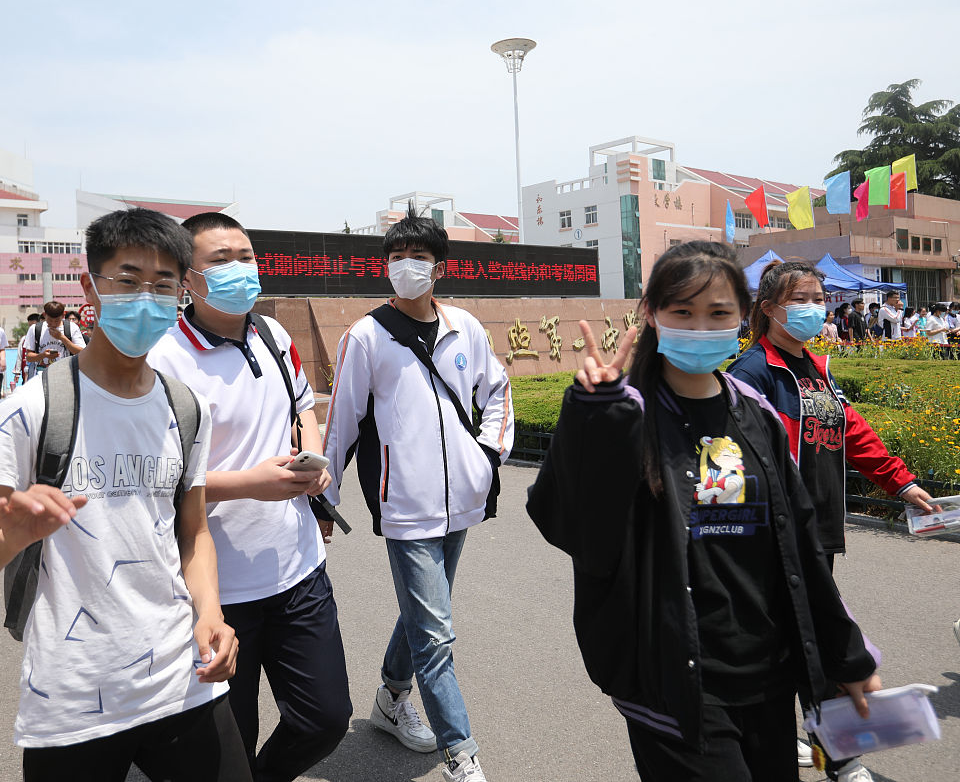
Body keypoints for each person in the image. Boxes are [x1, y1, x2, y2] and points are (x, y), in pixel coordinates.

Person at [526, 241, 881, 782]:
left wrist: (844, 652)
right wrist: (593, 416)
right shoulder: (626, 414)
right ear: (652, 315)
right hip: (674, 679)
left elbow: (799, 543)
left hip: (766, 672)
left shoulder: (755, 411)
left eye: (717, 313)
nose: (699, 327)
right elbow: (570, 522)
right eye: (682, 312)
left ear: (743, 316)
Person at [0, 208, 250, 782]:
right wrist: (14, 535)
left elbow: (194, 532)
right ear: (90, 288)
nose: (146, 299)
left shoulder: (185, 407)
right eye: (127, 281)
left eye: (163, 285)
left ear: (182, 293)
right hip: (73, 699)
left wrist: (212, 614)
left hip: (182, 679)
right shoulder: (31, 410)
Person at [148, 212, 349, 782]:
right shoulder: (166, 358)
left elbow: (302, 408)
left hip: (298, 568)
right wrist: (249, 485)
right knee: (230, 738)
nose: (239, 269)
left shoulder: (273, 333)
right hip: (217, 587)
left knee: (325, 719)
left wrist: (314, 458)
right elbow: (155, 481)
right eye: (220, 260)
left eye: (245, 256)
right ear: (188, 278)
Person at [322, 208, 513, 782]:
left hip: (462, 501)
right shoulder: (366, 336)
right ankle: (462, 754)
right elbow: (343, 423)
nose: (408, 266)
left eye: (421, 257)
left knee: (423, 614)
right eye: (398, 256)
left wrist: (487, 455)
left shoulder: (464, 328)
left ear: (439, 268)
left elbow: (497, 388)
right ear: (386, 266)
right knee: (436, 634)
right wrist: (321, 501)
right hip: (405, 506)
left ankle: (388, 700)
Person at [727, 260, 935, 782]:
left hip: (821, 529)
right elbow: (740, 457)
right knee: (808, 644)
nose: (816, 307)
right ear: (770, 308)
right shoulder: (753, 372)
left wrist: (901, 482)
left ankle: (829, 749)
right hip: (781, 535)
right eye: (802, 299)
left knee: (808, 643)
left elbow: (852, 430)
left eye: (819, 297)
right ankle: (841, 758)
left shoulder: (815, 367)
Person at [22, 301, 85, 372]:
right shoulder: (35, 329)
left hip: (66, 374)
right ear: (44, 315)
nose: (53, 324)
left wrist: (62, 337)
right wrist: (43, 355)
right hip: (42, 375)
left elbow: (81, 352)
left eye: (57, 321)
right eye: (50, 320)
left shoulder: (72, 327)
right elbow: (29, 357)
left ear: (63, 315)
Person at [12, 312, 43, 389]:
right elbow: (19, 356)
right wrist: (17, 373)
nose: (31, 328)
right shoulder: (24, 339)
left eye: (33, 325)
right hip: (27, 373)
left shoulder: (44, 338)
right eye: (29, 326)